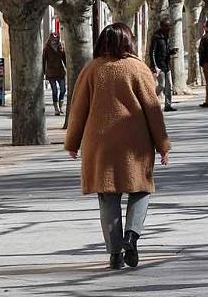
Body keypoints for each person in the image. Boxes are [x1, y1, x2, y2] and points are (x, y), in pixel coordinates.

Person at [64, 23, 171, 270]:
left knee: (107, 195)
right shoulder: (138, 68)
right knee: (141, 190)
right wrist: (162, 145)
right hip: (135, 143)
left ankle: (114, 254)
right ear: (128, 42)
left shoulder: (92, 70)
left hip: (99, 143)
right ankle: (131, 237)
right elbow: (153, 111)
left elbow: (78, 111)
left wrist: (72, 143)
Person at [149, 18, 177, 112]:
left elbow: (166, 50)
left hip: (167, 64)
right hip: (159, 65)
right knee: (162, 85)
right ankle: (149, 101)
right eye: (167, 26)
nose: (169, 28)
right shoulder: (157, 37)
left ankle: (168, 105)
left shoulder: (166, 37)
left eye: (169, 26)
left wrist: (172, 52)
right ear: (162, 26)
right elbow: (152, 52)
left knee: (170, 86)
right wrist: (154, 65)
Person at [43, 31, 67, 115]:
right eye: (53, 38)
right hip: (51, 73)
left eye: (56, 38)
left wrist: (68, 68)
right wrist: (43, 73)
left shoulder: (61, 47)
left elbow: (64, 59)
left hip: (60, 72)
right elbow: (43, 61)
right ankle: (56, 108)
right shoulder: (47, 48)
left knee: (63, 90)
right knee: (55, 91)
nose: (55, 39)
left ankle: (60, 106)